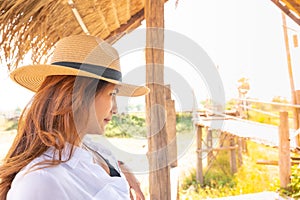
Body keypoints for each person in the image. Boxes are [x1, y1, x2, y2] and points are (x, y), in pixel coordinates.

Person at [0, 35, 149, 200]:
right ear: (80, 95)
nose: (115, 109)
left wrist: (122, 171)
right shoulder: (41, 181)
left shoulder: (89, 150)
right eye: (112, 94)